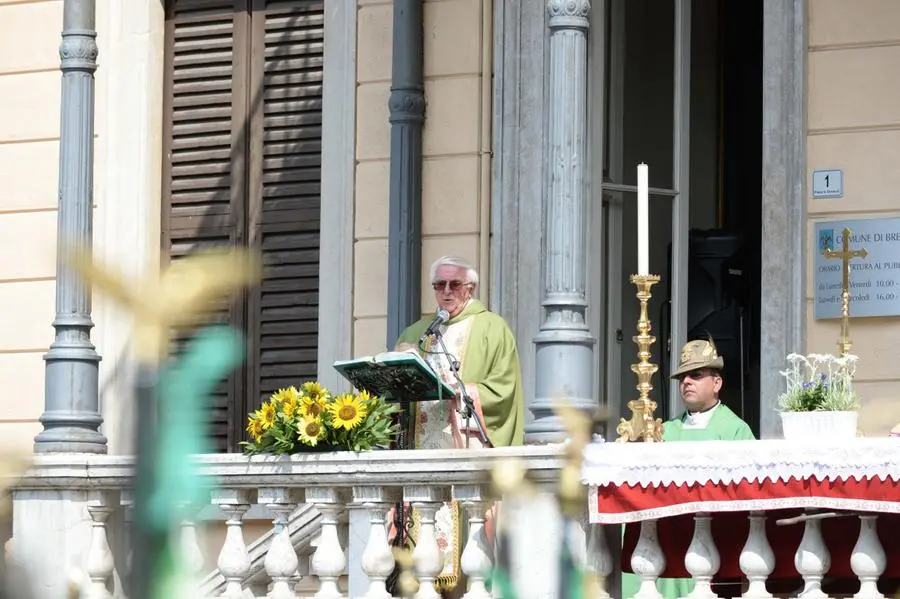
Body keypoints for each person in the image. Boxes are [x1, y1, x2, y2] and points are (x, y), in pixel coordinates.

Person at [391, 255, 525, 594]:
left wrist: (459, 389)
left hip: (464, 451)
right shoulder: (416, 333)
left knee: (466, 555)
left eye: (454, 285)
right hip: (420, 459)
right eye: (439, 285)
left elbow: (503, 391)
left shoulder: (492, 328)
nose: (446, 292)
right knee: (418, 566)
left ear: (471, 288)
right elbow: (393, 392)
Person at [622, 339, 755, 599]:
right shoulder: (666, 429)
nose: (686, 382)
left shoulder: (735, 429)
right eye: (683, 377)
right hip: (666, 534)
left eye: (696, 375)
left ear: (716, 383)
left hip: (713, 537)